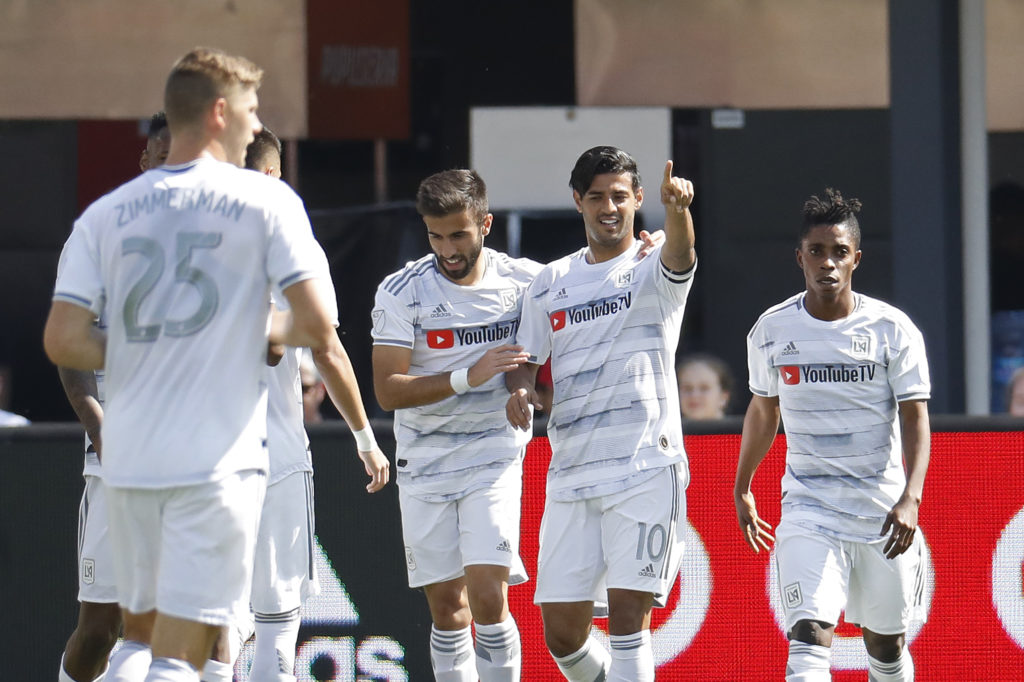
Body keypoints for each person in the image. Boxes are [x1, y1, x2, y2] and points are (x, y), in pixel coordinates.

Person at [44, 47, 342, 682]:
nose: (256, 120)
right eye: (251, 107)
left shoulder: (103, 217)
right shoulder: (268, 204)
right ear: (217, 114)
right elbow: (316, 325)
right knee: (192, 646)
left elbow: (64, 340)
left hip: (134, 453)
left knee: (134, 639)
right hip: (218, 456)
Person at [506, 146, 697, 682]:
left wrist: (677, 210)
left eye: (620, 195)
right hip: (571, 473)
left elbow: (681, 255)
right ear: (578, 202)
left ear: (638, 198)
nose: (608, 207)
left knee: (628, 622)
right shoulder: (549, 282)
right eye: (596, 197)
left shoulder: (652, 262)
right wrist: (521, 389)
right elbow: (526, 359)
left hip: (643, 469)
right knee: (561, 634)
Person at [733, 188, 931, 682]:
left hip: (881, 513)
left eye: (839, 252)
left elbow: (914, 417)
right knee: (810, 636)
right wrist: (742, 485)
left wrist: (911, 497)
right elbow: (764, 409)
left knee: (885, 649)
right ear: (799, 258)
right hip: (808, 509)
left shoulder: (893, 330)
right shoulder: (772, 331)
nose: (828, 263)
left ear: (856, 259)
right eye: (817, 252)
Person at [370, 169, 538, 681]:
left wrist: (520, 387)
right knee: (448, 608)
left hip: (493, 452)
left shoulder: (526, 280)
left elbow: (545, 339)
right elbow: (388, 390)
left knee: (489, 595)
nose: (447, 248)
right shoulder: (401, 292)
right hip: (423, 459)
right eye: (435, 235)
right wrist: (469, 375)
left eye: (459, 234)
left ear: (485, 224)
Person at [245, 126, 390, 682]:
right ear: (274, 176)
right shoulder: (285, 223)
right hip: (270, 458)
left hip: (195, 459)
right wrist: (365, 438)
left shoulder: (167, 231)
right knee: (274, 635)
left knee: (208, 633)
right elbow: (324, 346)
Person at [56, 108, 173, 682]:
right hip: (117, 463)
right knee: (100, 629)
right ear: (145, 158)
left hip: (196, 462)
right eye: (164, 155)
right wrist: (97, 422)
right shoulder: (99, 233)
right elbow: (69, 344)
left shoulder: (226, 239)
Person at [676, 353, 733, 420]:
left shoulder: (743, 430)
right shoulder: (665, 430)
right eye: (687, 388)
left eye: (704, 388)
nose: (694, 395)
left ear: (723, 397)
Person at [299, 351, 327, 424]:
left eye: (304, 389)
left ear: (321, 390)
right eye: (290, 390)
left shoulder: (338, 433)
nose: (297, 396)